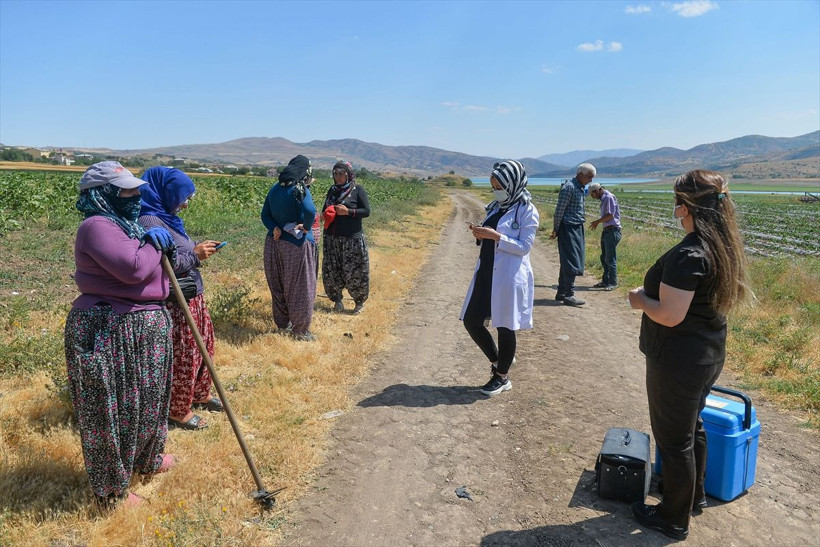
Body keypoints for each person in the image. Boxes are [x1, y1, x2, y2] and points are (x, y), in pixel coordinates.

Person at [628, 170, 749, 540]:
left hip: (678, 360)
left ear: (685, 207)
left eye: (676, 200)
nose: (674, 207)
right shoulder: (720, 247)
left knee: (673, 438)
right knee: (691, 427)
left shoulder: (689, 253)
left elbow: (669, 314)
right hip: (707, 354)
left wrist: (639, 300)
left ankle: (673, 518)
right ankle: (691, 497)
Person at [64, 161, 177, 507]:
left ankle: (146, 460)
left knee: (148, 402)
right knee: (110, 411)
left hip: (143, 325)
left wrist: (149, 241)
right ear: (103, 194)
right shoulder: (96, 226)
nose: (135, 195)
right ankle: (112, 491)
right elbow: (133, 268)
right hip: (108, 328)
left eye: (135, 188)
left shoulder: (125, 224)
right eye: (126, 190)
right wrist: (155, 245)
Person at [139, 166, 224, 431]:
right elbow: (163, 263)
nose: (186, 204)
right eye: (182, 197)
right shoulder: (150, 222)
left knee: (203, 348)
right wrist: (196, 255)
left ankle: (199, 393)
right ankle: (178, 410)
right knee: (184, 355)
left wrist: (197, 247)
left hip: (193, 295)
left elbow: (178, 249)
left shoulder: (169, 217)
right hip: (177, 303)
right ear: (166, 192)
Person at [460, 160, 539, 396]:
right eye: (493, 185)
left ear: (513, 184)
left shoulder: (527, 210)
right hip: (487, 272)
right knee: (471, 320)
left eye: (500, 185)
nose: (496, 190)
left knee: (505, 325)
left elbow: (524, 247)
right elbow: (490, 237)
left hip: (508, 275)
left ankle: (502, 377)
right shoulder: (496, 206)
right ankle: (498, 360)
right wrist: (480, 235)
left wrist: (496, 237)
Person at [261, 155, 318, 340]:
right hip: (296, 244)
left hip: (274, 243)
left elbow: (265, 214)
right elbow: (310, 211)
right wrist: (307, 227)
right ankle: (300, 331)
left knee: (279, 285)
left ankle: (282, 324)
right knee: (300, 287)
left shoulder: (275, 188)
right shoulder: (299, 189)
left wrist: (274, 228)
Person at [321, 160, 371, 315]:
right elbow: (325, 208)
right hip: (332, 238)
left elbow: (367, 211)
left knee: (355, 271)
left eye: (341, 174)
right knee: (332, 271)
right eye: (335, 174)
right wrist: (325, 214)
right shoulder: (332, 190)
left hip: (352, 239)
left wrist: (348, 212)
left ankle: (359, 302)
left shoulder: (357, 190)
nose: (338, 177)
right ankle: (337, 301)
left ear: (348, 174)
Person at [550, 163, 596, 306]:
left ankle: (562, 292)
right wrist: (556, 229)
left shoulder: (580, 188)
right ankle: (569, 294)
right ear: (580, 174)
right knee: (571, 260)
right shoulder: (569, 188)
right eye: (589, 177)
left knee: (569, 260)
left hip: (576, 227)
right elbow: (559, 210)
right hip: (568, 227)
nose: (590, 180)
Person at [588, 182, 622, 290]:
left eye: (593, 195)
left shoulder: (609, 198)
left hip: (612, 231)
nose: (593, 198)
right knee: (604, 257)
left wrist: (597, 222)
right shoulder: (604, 199)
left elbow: (610, 215)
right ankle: (605, 281)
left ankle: (613, 283)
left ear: (597, 191)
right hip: (607, 231)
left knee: (610, 258)